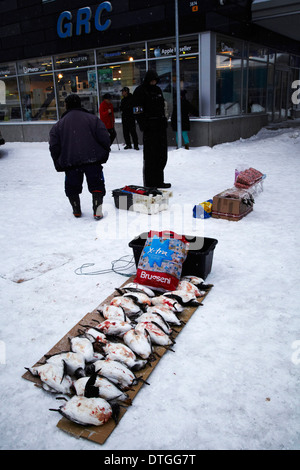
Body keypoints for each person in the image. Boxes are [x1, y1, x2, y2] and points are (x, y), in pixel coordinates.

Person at [49, 94, 111, 220]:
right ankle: (97, 210)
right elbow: (105, 137)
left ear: (66, 106)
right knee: (97, 185)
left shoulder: (59, 125)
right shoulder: (93, 119)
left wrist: (58, 162)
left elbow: (54, 146)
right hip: (93, 159)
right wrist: (104, 153)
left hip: (71, 162)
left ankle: (76, 209)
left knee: (72, 186)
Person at [132, 70, 171, 189]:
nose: (154, 82)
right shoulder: (140, 91)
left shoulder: (158, 90)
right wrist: (143, 124)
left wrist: (164, 120)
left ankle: (159, 181)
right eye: (152, 80)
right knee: (150, 157)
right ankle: (149, 183)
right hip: (149, 128)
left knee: (161, 155)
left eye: (155, 80)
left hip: (160, 126)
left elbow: (162, 106)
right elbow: (137, 110)